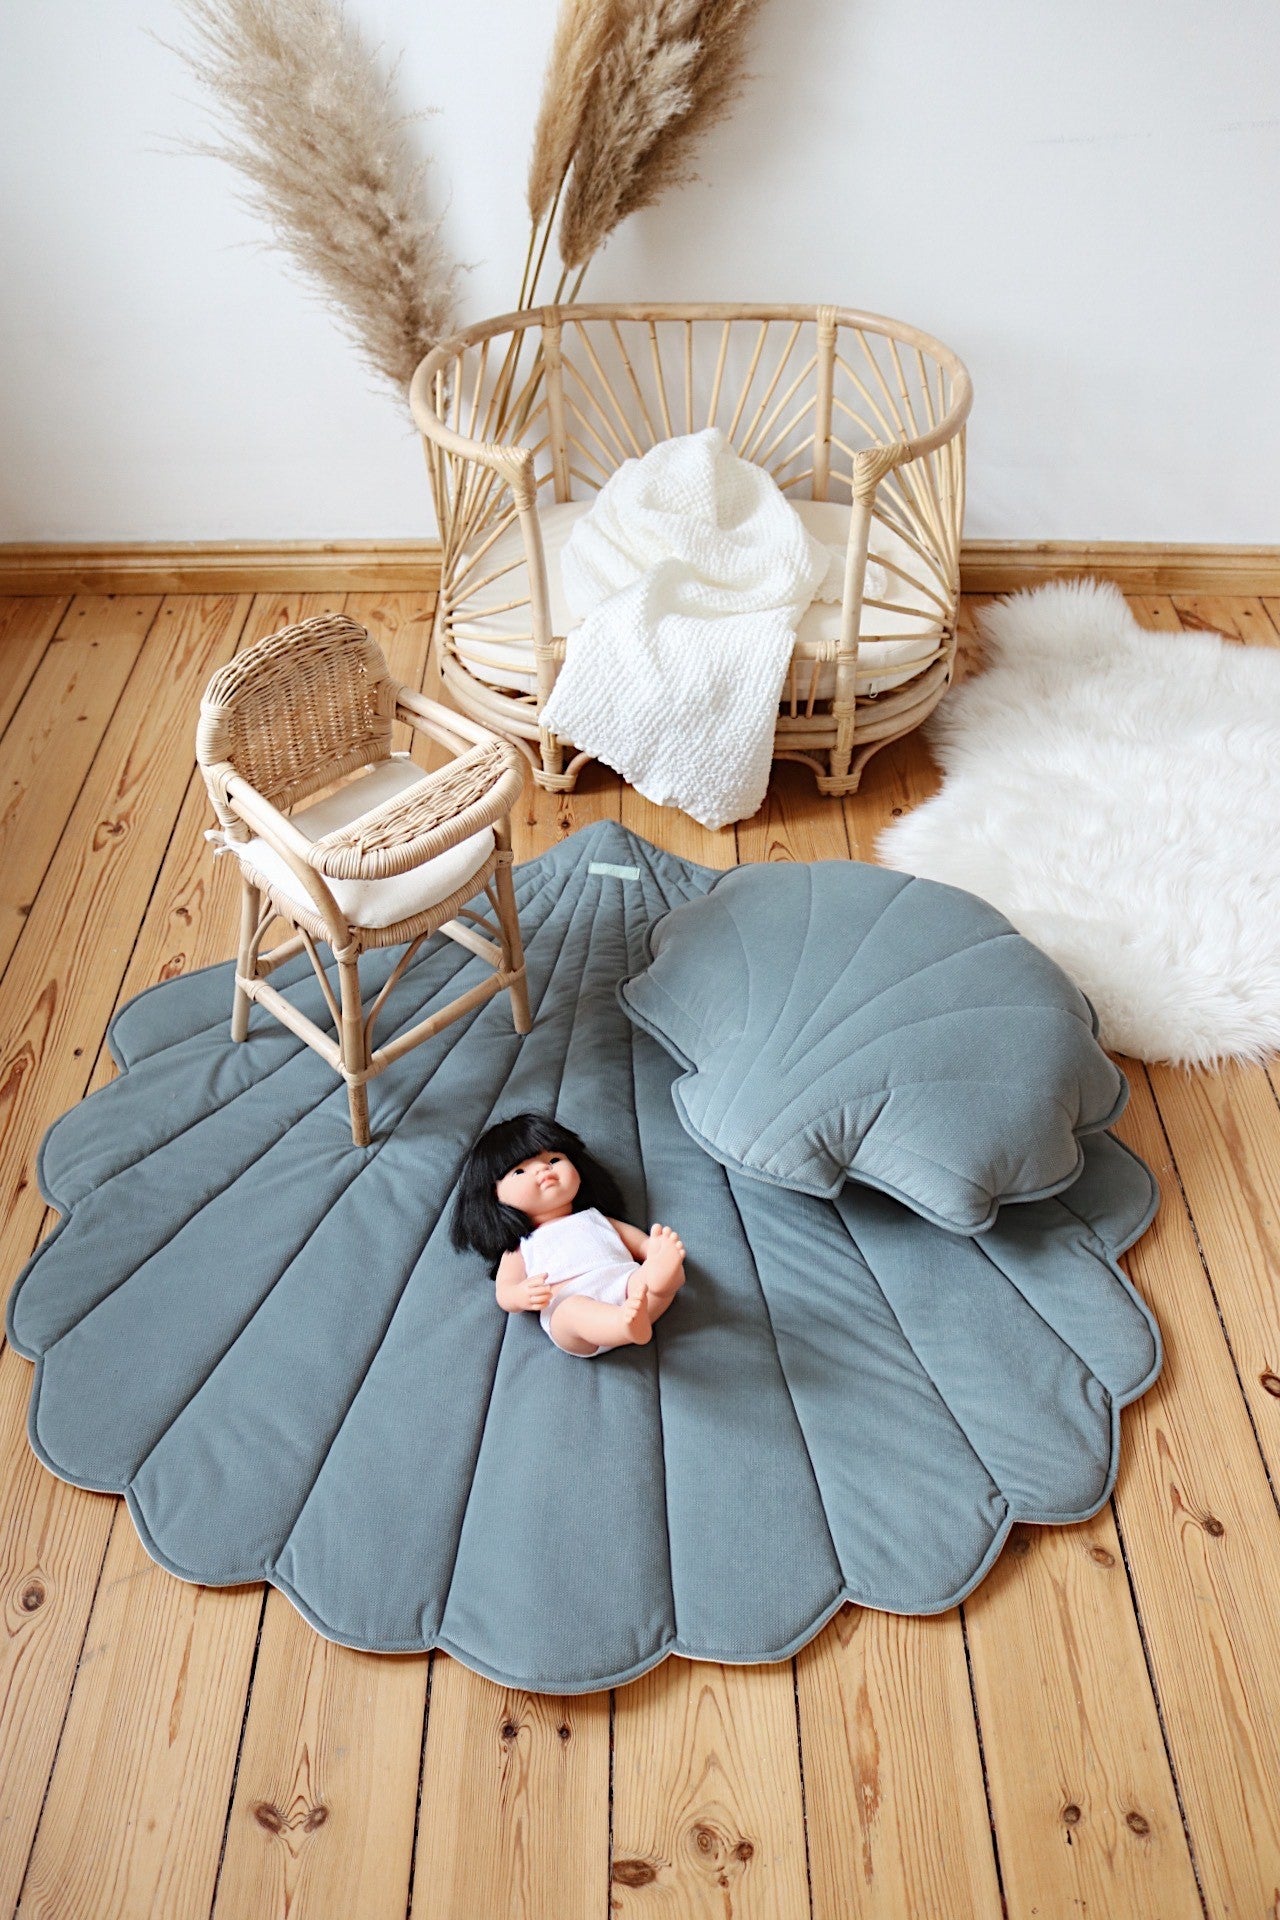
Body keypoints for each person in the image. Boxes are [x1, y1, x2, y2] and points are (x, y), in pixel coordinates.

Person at [451, 1112, 686, 1357]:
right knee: (571, 1312)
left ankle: (664, 1281)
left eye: (553, 1159)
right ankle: (622, 1324)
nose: (543, 1170)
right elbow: (505, 1291)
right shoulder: (522, 1246)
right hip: (575, 1315)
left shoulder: (595, 1218)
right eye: (519, 1172)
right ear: (494, 1196)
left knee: (644, 1277)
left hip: (627, 1288)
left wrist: (654, 1250)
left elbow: (641, 1245)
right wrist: (520, 1296)